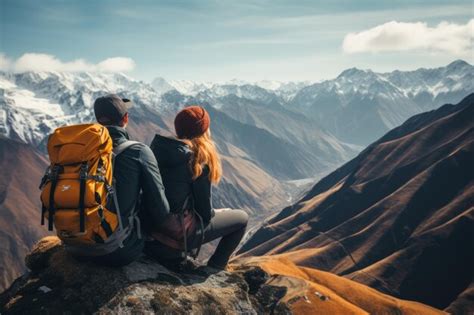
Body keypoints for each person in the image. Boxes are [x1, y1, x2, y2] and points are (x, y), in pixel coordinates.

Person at [145, 106, 248, 270]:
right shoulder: (197, 161)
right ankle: (215, 268)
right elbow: (204, 213)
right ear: (204, 131)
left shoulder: (155, 149)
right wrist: (217, 212)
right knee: (242, 219)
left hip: (150, 230)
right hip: (176, 235)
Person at [87, 94, 170, 266]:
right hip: (117, 250)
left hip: (75, 245)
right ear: (126, 118)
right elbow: (160, 210)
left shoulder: (83, 150)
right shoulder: (137, 151)